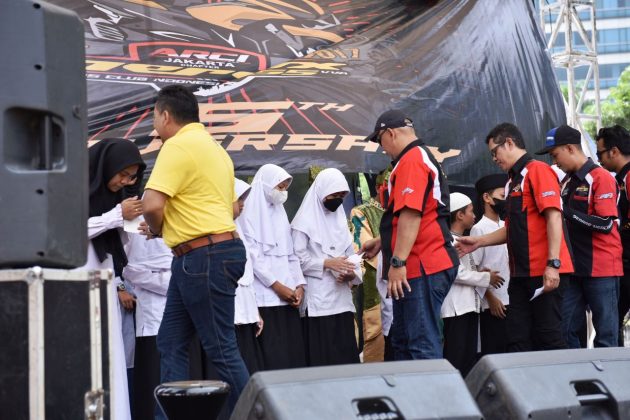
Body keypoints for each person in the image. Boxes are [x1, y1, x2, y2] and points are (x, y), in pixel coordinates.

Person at [142, 84, 248, 416]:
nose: (154, 125)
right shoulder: (215, 150)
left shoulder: (176, 146)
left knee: (221, 349)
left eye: (154, 117)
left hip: (203, 257)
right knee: (170, 341)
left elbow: (151, 204)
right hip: (205, 254)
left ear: (165, 115)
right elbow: (231, 209)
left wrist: (158, 228)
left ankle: (259, 413)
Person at [457, 123, 574, 352]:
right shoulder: (511, 181)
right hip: (520, 273)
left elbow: (554, 217)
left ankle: (561, 377)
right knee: (517, 337)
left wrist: (553, 264)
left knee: (548, 336)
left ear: (509, 143)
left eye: (495, 152)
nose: (494, 159)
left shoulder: (538, 170)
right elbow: (511, 228)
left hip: (544, 271)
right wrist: (478, 241)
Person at [361, 110, 459, 360]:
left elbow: (411, 215)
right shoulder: (413, 159)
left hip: (422, 265)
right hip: (415, 266)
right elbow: (417, 214)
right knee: (403, 343)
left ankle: (430, 388)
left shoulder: (413, 159)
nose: (382, 149)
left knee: (421, 345)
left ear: (390, 133)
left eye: (380, 140)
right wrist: (383, 242)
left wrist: (397, 262)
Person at [537, 125, 622, 348]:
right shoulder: (566, 181)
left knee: (606, 336)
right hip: (573, 269)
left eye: (555, 154)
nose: (554, 162)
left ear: (570, 148)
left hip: (601, 268)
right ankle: (578, 369)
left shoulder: (600, 177)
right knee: (564, 330)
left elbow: (605, 224)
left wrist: (566, 212)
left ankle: (607, 372)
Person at [84, 138, 146, 420]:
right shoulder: (73, 191)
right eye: (123, 174)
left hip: (105, 279)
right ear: (105, 166)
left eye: (132, 177)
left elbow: (118, 247)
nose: (126, 181)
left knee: (110, 353)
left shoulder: (116, 199)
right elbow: (69, 230)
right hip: (78, 280)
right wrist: (115, 216)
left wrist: (132, 224)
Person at [238, 164, 307, 370]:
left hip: (288, 297)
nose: (283, 192)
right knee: (272, 357)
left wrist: (299, 285)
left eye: (285, 188)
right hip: (265, 297)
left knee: (292, 356)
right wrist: (276, 286)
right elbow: (253, 257)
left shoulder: (280, 213)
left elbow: (291, 254)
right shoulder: (247, 212)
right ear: (266, 185)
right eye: (279, 187)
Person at [291, 168, 362, 366]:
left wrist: (351, 274)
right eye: (334, 195)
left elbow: (352, 256)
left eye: (341, 196)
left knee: (344, 356)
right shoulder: (302, 223)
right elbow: (296, 260)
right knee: (322, 357)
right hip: (317, 302)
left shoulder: (340, 221)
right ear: (322, 192)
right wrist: (326, 263)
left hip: (342, 300)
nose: (337, 200)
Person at [442, 192, 503, 376]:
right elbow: (456, 273)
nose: (474, 215)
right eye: (470, 211)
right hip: (455, 309)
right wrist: (485, 278)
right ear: (460, 215)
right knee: (456, 359)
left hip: (468, 307)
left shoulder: (461, 239)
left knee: (469, 359)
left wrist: (480, 273)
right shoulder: (447, 241)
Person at [122, 230, 172, 420]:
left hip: (182, 320)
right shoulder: (136, 227)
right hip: (151, 322)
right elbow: (126, 268)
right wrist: (170, 281)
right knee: (154, 386)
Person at [596, 125, 630, 346]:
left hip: (627, 263)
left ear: (614, 151)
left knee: (611, 323)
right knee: (611, 322)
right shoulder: (619, 179)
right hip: (622, 263)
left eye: (600, 154)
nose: (598, 160)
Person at [470, 173, 511, 355]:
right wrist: (490, 298)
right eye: (502, 196)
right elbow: (474, 269)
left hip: (512, 298)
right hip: (493, 303)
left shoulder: (506, 225)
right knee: (495, 350)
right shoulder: (478, 229)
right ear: (487, 198)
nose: (506, 200)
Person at [233, 178, 265, 373]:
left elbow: (247, 276)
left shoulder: (239, 229)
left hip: (246, 314)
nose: (242, 203)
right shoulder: (215, 231)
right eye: (238, 198)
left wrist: (254, 311)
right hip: (228, 316)